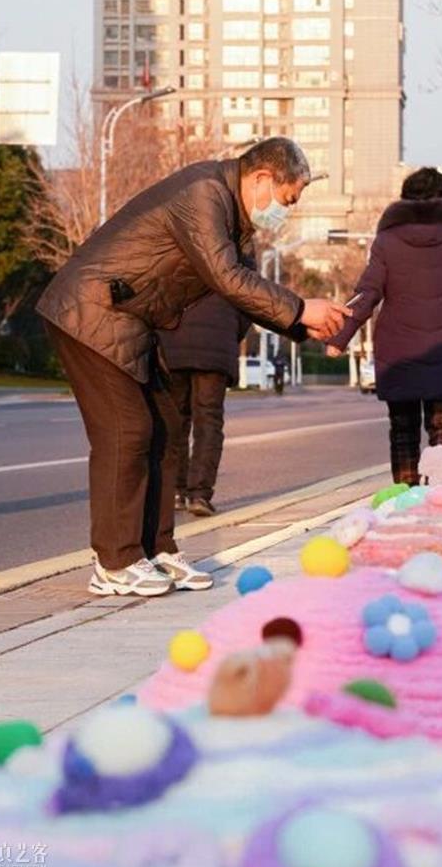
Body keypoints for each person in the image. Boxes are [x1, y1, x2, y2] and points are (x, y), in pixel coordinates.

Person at [38, 137, 348, 598]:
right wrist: (302, 308)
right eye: (287, 200)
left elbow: (239, 288)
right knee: (127, 431)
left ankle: (156, 549)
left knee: (165, 426)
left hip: (129, 321)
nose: (285, 211)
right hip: (90, 312)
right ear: (261, 178)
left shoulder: (233, 217)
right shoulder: (203, 194)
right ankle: (115, 561)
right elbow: (228, 277)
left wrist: (306, 330)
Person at [326, 167, 442, 486]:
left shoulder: (387, 241)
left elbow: (367, 291)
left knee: (402, 431)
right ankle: (439, 499)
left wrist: (340, 337)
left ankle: (404, 498)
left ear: (405, 200)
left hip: (398, 352)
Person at [159, 291, 249, 518]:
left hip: (174, 341)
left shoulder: (175, 254)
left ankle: (174, 491)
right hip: (216, 342)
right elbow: (249, 300)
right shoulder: (237, 256)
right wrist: (229, 332)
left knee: (174, 421)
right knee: (208, 420)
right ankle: (199, 494)